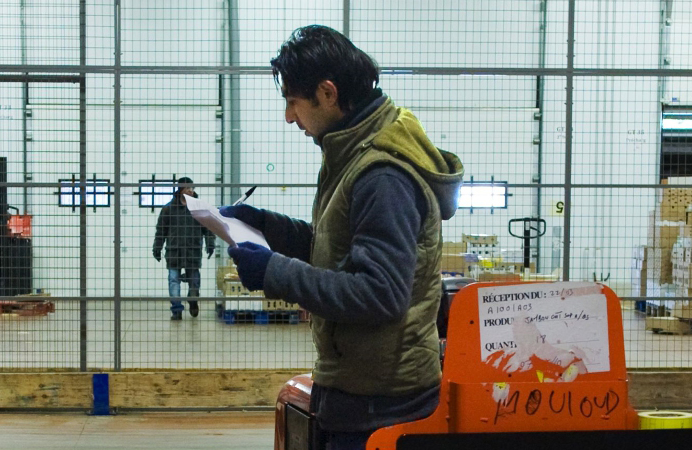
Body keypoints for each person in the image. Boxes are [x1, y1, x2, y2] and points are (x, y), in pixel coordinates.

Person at [220, 25, 464, 450]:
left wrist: (274, 272)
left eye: (293, 102)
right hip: (363, 391)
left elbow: (378, 293)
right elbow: (342, 249)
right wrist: (268, 227)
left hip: (382, 403)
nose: (289, 117)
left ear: (328, 93)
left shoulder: (382, 173)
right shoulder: (353, 152)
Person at [152, 177, 216, 320]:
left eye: (192, 188)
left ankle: (193, 301)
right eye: (188, 188)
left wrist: (210, 243)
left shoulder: (199, 208)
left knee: (194, 281)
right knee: (173, 280)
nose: (191, 191)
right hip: (174, 251)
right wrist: (157, 247)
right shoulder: (168, 209)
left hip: (192, 251)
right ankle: (176, 310)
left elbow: (208, 228)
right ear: (180, 189)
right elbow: (161, 230)